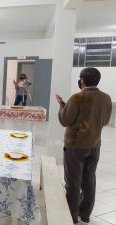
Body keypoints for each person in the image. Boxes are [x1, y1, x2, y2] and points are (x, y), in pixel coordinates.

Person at [56, 67, 112, 224]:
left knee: (73, 181)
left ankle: (71, 216)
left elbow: (65, 120)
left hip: (75, 146)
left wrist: (62, 107)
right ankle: (85, 214)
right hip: (95, 145)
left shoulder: (77, 98)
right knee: (89, 180)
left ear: (81, 80)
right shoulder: (106, 98)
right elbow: (105, 121)